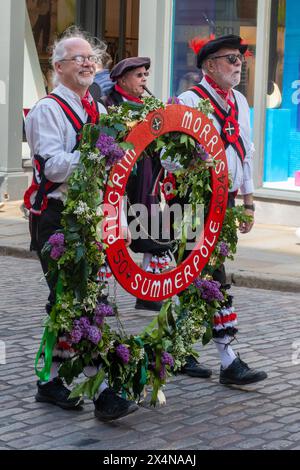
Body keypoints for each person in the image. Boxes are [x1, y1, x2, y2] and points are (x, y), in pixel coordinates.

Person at [25, 29, 138, 421]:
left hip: (92, 216)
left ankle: (49, 381)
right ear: (58, 68)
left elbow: (113, 178)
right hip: (56, 219)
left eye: (92, 57)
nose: (89, 63)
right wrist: (95, 154)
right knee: (80, 303)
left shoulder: (102, 112)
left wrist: (119, 219)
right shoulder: (47, 110)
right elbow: (52, 167)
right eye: (78, 58)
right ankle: (103, 390)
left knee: (69, 301)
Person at [176, 35, 268, 385]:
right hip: (192, 202)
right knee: (211, 275)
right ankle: (229, 360)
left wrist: (247, 200)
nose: (238, 64)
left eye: (240, 58)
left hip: (225, 201)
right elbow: (169, 159)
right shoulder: (189, 100)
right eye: (231, 59)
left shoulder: (240, 101)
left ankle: (178, 352)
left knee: (193, 276)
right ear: (209, 65)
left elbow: (246, 152)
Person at [103, 57, 170, 312]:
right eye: (139, 75)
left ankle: (149, 292)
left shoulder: (150, 105)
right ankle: (99, 294)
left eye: (145, 75)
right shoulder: (108, 105)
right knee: (109, 235)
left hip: (146, 179)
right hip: (118, 182)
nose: (144, 80)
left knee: (152, 231)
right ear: (122, 79)